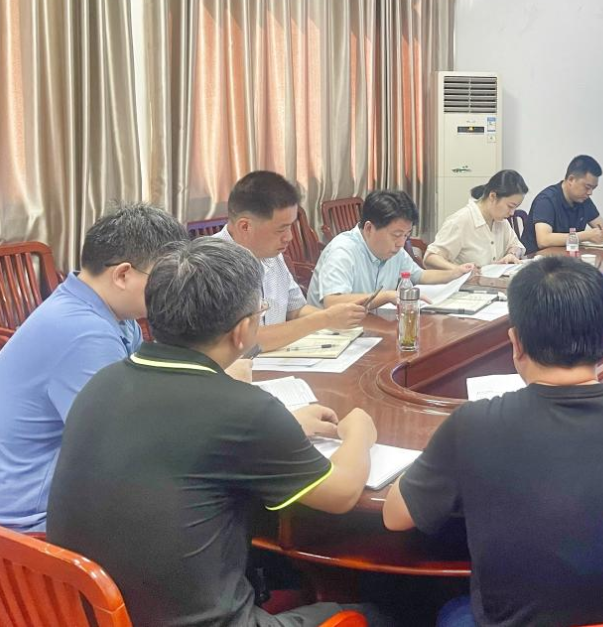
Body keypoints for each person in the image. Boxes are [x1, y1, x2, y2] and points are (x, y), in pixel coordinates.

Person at [47, 238, 382, 627]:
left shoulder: (102, 382)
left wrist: (284, 425)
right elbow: (341, 494)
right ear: (242, 330)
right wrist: (360, 433)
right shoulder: (244, 408)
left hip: (81, 614)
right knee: (381, 611)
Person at [382, 256, 603, 626]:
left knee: (441, 608)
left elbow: (396, 517)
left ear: (516, 343)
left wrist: (440, 453)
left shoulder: (473, 424)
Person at [0, 204, 187, 533]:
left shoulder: (111, 313)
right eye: (165, 279)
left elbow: (144, 390)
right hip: (30, 522)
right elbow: (120, 447)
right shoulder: (85, 333)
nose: (171, 292)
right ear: (123, 274)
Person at [215, 171, 367, 352]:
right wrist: (325, 319)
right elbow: (245, 342)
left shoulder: (272, 255)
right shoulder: (212, 265)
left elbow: (295, 310)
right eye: (281, 230)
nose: (289, 237)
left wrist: (338, 317)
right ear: (245, 226)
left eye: (291, 227)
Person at [308, 189, 473, 308]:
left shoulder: (395, 251)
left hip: (369, 327)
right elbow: (333, 302)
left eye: (406, 235)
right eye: (396, 235)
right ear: (369, 228)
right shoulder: (342, 251)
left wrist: (455, 273)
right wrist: (386, 296)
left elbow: (420, 276)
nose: (401, 243)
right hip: (331, 336)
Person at [520, 154, 603, 255]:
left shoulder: (583, 200)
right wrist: (585, 236)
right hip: (537, 261)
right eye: (587, 187)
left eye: (593, 188)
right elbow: (544, 240)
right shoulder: (546, 200)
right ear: (571, 179)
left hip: (567, 259)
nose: (590, 193)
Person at [424, 169, 528, 270]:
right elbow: (430, 258)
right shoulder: (461, 221)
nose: (512, 213)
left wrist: (512, 254)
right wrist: (459, 270)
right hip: (464, 281)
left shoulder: (501, 222)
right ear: (492, 196)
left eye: (515, 208)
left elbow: (515, 245)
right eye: (510, 206)